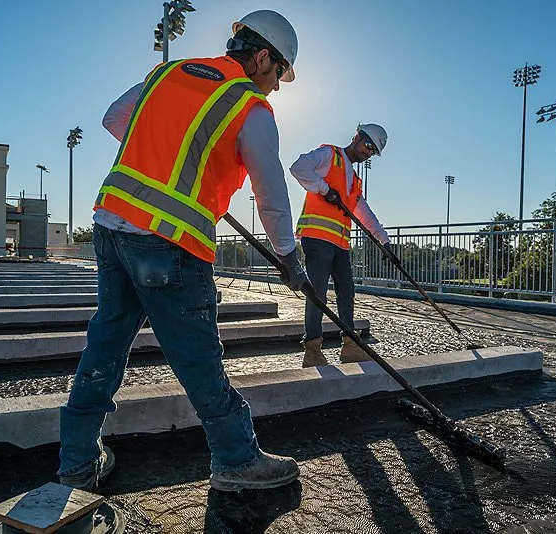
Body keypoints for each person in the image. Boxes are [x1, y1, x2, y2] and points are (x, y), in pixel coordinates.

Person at [58, 9, 310, 493]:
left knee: (105, 345)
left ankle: (76, 460)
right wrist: (287, 256)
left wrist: (175, 146)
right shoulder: (249, 107)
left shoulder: (169, 73)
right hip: (168, 241)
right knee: (198, 356)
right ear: (262, 59)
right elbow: (270, 190)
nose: (277, 86)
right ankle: (237, 459)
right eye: (279, 74)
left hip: (111, 225)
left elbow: (115, 119)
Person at [290, 124, 395, 367]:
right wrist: (324, 189)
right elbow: (299, 167)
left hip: (339, 243)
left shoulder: (354, 180)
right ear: (357, 137)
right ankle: (313, 350)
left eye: (373, 152)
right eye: (368, 146)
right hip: (317, 238)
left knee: (347, 291)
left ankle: (349, 346)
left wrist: (385, 240)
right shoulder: (329, 155)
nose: (369, 153)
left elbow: (363, 211)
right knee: (317, 294)